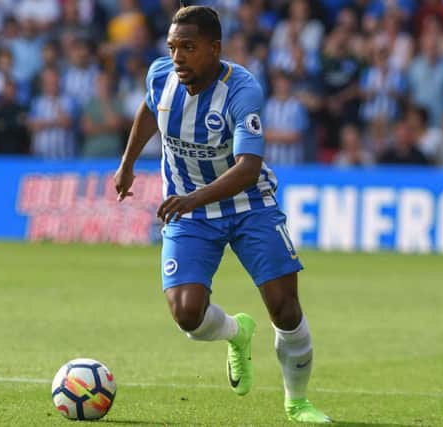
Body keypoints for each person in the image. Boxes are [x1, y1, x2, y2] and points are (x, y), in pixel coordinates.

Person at [114, 6, 331, 424]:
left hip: (248, 204)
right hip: (191, 211)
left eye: (189, 48)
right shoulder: (161, 75)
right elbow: (148, 109)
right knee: (186, 314)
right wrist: (126, 164)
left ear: (214, 49)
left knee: (285, 308)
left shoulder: (241, 90)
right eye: (173, 47)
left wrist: (192, 199)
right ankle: (236, 332)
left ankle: (297, 402)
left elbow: (248, 167)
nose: (178, 57)